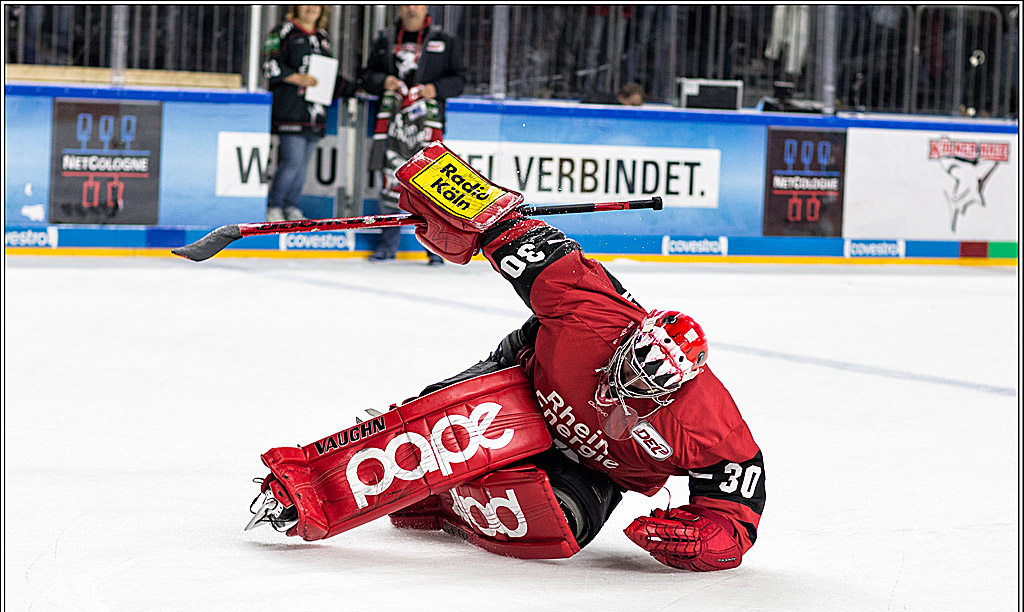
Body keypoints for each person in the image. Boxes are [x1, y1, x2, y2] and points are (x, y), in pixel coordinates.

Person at [249, 144, 766, 572]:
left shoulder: (707, 421)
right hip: (527, 380)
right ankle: (314, 481)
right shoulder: (597, 315)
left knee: (557, 524)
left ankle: (445, 500)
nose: (625, 383)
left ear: (675, 391)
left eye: (645, 384)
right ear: (632, 337)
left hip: (598, 470)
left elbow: (737, 499)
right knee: (436, 427)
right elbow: (529, 242)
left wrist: (717, 532)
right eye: (630, 362)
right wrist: (476, 209)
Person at [360, 5, 467, 265]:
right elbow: (366, 76)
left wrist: (436, 88)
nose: (412, 8)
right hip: (391, 123)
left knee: (431, 184)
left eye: (417, 3)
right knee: (390, 178)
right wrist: (383, 81)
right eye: (407, 3)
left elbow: (460, 80)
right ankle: (387, 245)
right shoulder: (384, 38)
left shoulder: (444, 40)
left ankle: (436, 249)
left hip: (428, 124)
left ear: (426, 8)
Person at [263, 5, 357, 222]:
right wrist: (298, 78)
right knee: (292, 161)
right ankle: (274, 205)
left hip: (315, 112)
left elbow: (328, 73)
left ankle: (291, 205)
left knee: (303, 164)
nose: (311, 8)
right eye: (306, 3)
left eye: (316, 4)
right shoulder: (283, 31)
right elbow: (268, 64)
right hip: (290, 110)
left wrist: (354, 86)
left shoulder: (322, 37)